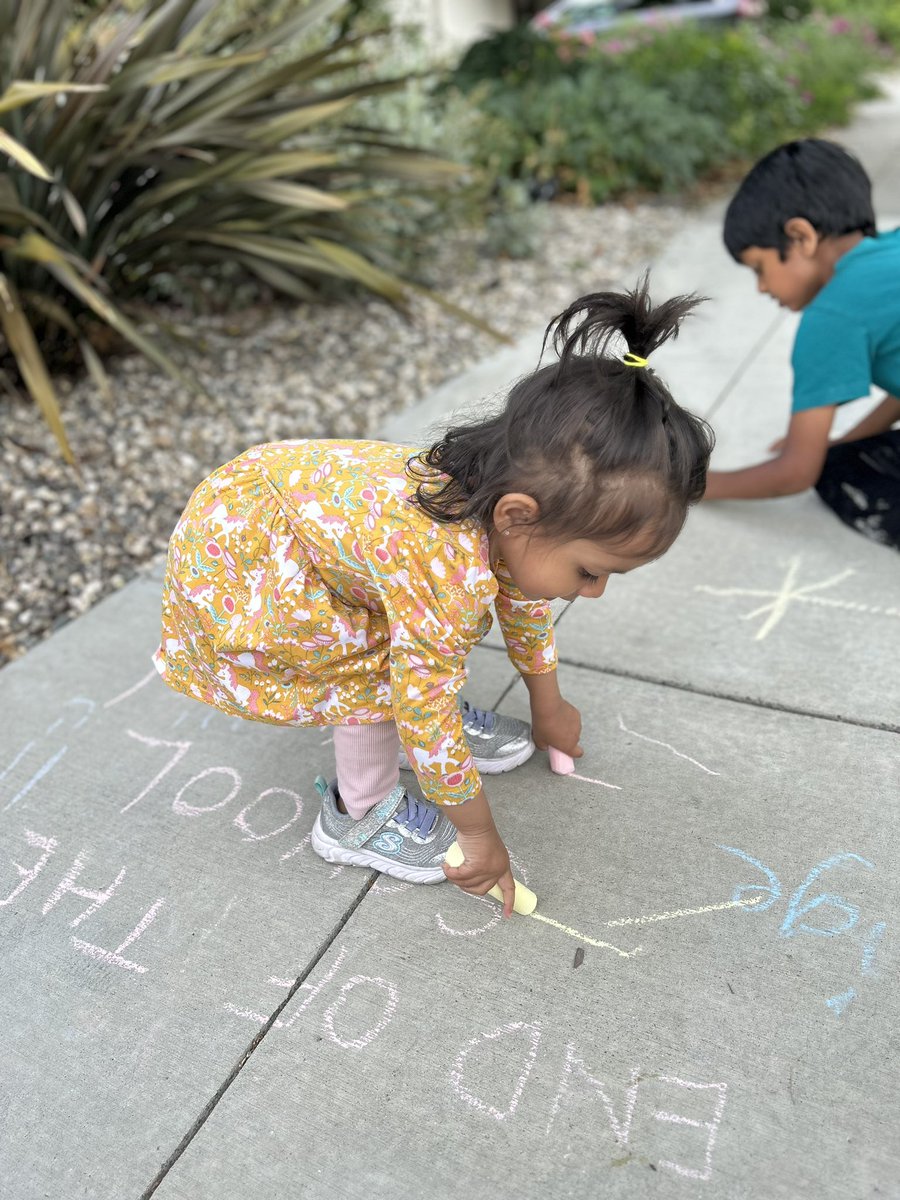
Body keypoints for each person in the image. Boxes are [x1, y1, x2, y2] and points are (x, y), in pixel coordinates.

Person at [153, 278, 713, 915]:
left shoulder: (503, 502)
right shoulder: (440, 562)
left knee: (419, 666)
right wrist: (477, 833)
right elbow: (422, 705)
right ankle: (357, 815)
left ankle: (410, 746)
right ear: (517, 517)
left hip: (281, 524)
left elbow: (522, 598)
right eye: (589, 572)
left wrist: (547, 701)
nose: (596, 592)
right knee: (384, 671)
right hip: (244, 561)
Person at [707, 138, 900, 549]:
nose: (761, 288)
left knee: (841, 473)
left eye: (759, 268)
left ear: (801, 237)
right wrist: (844, 441)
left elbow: (795, 473)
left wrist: (695, 486)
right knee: (848, 455)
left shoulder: (833, 315)